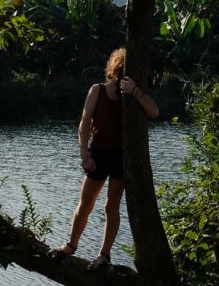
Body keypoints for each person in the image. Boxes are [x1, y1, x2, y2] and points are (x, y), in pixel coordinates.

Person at [54, 47, 159, 270]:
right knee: (85, 205)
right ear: (114, 70)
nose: (122, 77)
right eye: (120, 72)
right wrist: (84, 155)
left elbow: (154, 112)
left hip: (122, 157)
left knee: (111, 206)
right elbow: (83, 125)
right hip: (98, 154)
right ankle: (71, 246)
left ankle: (104, 255)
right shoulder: (97, 90)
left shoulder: (132, 96)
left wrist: (135, 91)